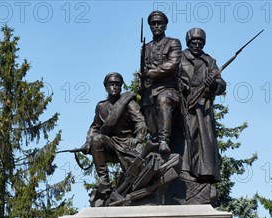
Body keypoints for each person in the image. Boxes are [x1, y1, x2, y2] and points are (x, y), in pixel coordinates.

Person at [81, 72, 147, 205]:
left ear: (121, 87)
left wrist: (139, 138)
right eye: (111, 85)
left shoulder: (129, 102)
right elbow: (95, 127)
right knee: (97, 139)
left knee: (140, 171)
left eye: (117, 85)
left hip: (128, 144)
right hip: (111, 144)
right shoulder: (101, 107)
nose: (114, 87)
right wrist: (88, 142)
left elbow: (140, 121)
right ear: (105, 87)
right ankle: (104, 182)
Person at [179, 28, 226, 191]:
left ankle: (203, 173)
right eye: (194, 42)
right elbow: (172, 78)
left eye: (200, 42)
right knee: (186, 136)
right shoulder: (180, 57)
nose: (197, 45)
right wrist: (182, 86)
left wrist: (213, 84)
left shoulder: (209, 61)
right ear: (188, 43)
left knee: (203, 141)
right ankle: (184, 170)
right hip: (184, 103)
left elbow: (221, 84)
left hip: (203, 106)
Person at [141, 11, 181, 155]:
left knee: (163, 99)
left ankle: (164, 141)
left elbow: (172, 64)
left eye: (159, 23)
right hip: (150, 90)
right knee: (145, 105)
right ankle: (155, 142)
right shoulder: (146, 47)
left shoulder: (173, 43)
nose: (156, 26)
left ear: (165, 25)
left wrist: (151, 73)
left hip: (169, 88)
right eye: (153, 23)